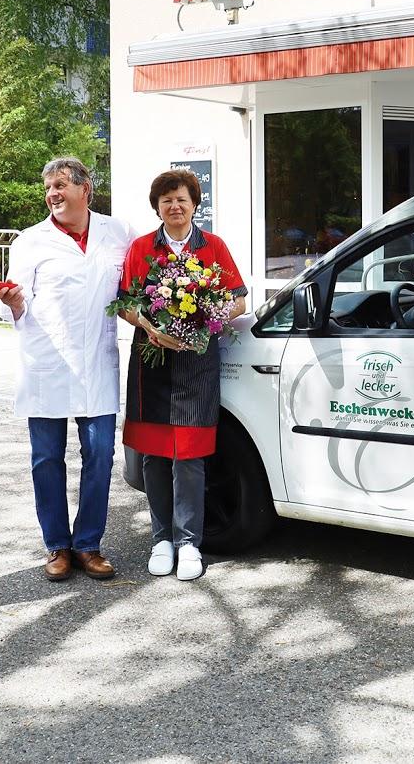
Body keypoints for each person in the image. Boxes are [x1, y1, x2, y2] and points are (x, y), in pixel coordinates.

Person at [0, 157, 135, 582]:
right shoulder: (30, 241)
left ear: (85, 189)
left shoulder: (119, 233)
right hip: (47, 366)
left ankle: (88, 544)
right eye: (48, 187)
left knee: (100, 456)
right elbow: (12, 305)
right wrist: (13, 303)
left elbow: (133, 289)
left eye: (60, 185)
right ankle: (57, 545)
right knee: (47, 459)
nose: (52, 194)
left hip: (96, 364)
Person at [118, 170, 247, 581]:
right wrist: (151, 328)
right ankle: (161, 538)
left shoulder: (213, 247)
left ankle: (189, 541)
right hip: (151, 363)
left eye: (182, 199)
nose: (175, 206)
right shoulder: (141, 248)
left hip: (195, 364)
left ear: (195, 205)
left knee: (190, 457)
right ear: (157, 206)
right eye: (167, 200)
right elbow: (123, 304)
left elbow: (240, 300)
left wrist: (207, 319)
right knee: (155, 457)